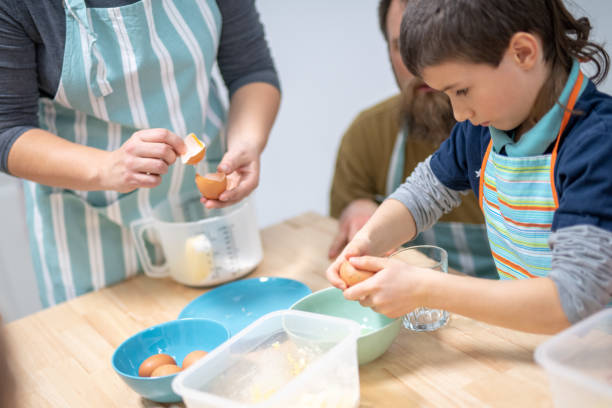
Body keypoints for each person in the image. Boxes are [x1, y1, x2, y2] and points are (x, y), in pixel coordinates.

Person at [327, 0, 612, 334]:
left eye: (461, 90)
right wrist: (368, 241)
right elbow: (423, 194)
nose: (458, 113)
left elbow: (573, 298)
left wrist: (425, 288)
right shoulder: (481, 132)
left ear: (522, 52)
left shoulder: (598, 145)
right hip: (535, 343)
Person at [0, 0, 281, 307]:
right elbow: (7, 129)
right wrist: (106, 167)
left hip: (201, 209)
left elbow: (252, 70)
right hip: (88, 224)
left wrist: (247, 143)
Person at [328, 0, 497, 279]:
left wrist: (428, 288)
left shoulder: (504, 130)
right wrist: (360, 213)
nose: (422, 67)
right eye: (404, 47)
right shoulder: (367, 134)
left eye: (438, 43)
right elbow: (423, 193)